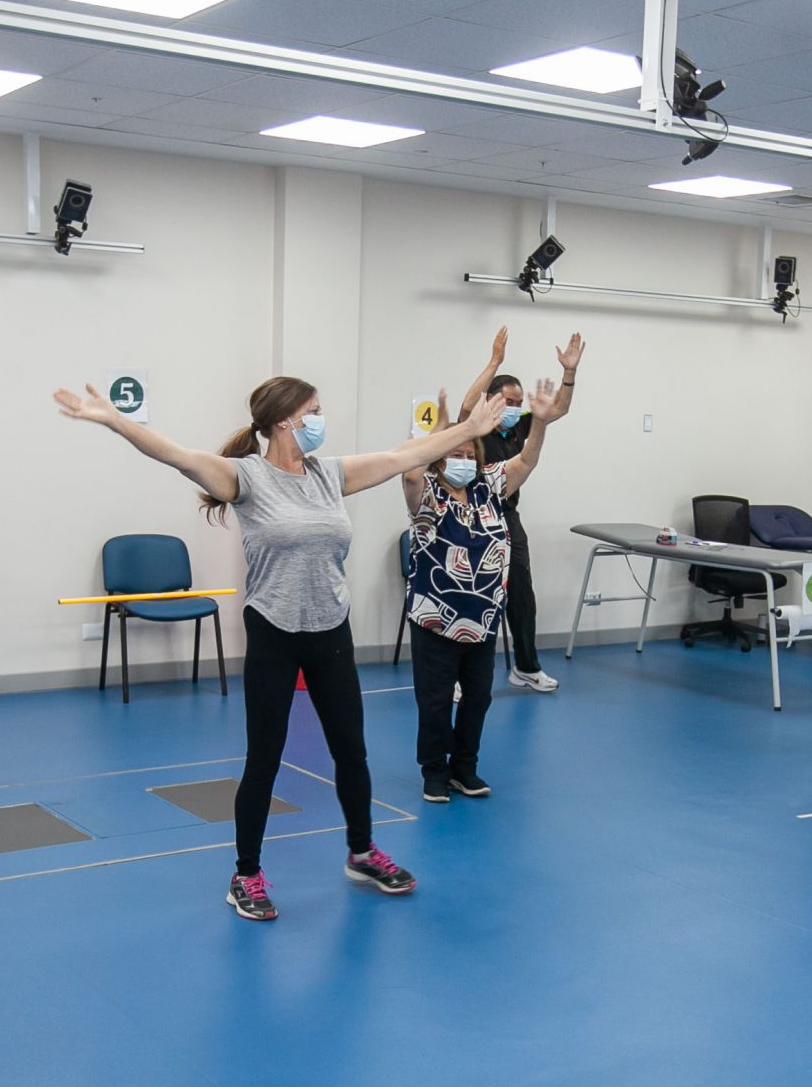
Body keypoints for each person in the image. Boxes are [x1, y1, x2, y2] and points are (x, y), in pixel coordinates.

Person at [52, 336, 511, 922]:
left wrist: (465, 426)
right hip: (273, 630)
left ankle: (362, 851)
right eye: (314, 412)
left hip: (331, 629)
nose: (322, 420)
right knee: (264, 758)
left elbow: (402, 456)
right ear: (285, 422)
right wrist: (116, 421)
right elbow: (176, 455)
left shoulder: (329, 475)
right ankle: (246, 874)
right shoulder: (244, 478)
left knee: (352, 751)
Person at [404, 336, 582, 802]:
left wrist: (540, 424)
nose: (463, 460)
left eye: (469, 455)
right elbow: (408, 471)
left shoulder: (488, 488)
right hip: (436, 618)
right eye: (455, 455)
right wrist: (442, 431)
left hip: (482, 620)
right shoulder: (428, 496)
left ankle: (465, 768)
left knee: (479, 699)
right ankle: (434, 772)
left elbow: (527, 460)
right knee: (436, 701)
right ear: (441, 460)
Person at [473, 369, 566, 691]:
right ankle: (459, 676)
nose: (513, 408)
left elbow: (558, 410)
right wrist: (494, 360)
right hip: (473, 517)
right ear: (490, 400)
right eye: (506, 401)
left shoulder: (515, 429)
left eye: (517, 402)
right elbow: (466, 408)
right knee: (472, 595)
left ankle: (526, 668)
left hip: (508, 517)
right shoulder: (475, 429)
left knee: (522, 595)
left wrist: (569, 374)